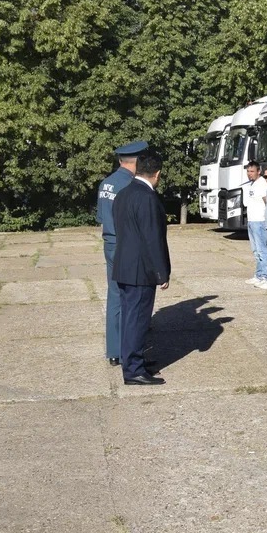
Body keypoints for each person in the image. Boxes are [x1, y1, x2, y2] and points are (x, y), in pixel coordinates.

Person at [112, 151, 171, 385]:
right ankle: (134, 370)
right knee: (137, 320)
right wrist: (161, 272)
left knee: (129, 319)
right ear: (157, 174)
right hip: (141, 270)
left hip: (125, 266)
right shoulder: (147, 197)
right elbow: (152, 238)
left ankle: (133, 361)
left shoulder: (124, 193)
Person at [96, 140, 147, 366]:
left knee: (114, 295)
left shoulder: (106, 183)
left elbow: (101, 218)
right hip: (126, 245)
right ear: (137, 162)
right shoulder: (130, 185)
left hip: (110, 243)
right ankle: (130, 350)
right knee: (132, 298)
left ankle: (114, 350)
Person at [242, 162, 267, 287]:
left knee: (261, 249)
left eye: (252, 171)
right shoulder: (252, 184)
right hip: (251, 220)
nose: (249, 174)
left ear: (259, 171)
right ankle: (258, 274)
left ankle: (264, 276)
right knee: (255, 250)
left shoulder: (262, 184)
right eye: (248, 171)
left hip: (260, 220)